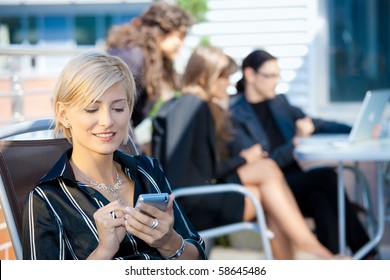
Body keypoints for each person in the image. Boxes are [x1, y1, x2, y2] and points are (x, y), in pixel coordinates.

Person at [152, 45, 338, 259]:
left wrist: (243, 159)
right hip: (190, 205)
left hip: (199, 193)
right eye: (224, 77)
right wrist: (243, 159)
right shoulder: (191, 106)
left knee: (266, 173)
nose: (229, 83)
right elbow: (179, 175)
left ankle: (307, 250)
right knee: (266, 193)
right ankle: (312, 248)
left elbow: (203, 169)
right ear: (205, 78)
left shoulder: (194, 105)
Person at [21, 50, 206, 260]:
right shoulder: (48, 199)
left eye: (118, 108)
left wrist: (169, 242)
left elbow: (198, 258)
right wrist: (103, 252)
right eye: (92, 109)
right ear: (63, 115)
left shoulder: (148, 171)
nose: (107, 121)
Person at [230, 49, 375, 258]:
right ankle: (367, 253)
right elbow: (262, 164)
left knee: (321, 200)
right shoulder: (235, 115)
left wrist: (356, 128)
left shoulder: (279, 103)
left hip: (297, 183)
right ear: (250, 75)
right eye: (270, 76)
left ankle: (333, 262)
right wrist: (295, 141)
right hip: (273, 188)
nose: (275, 82)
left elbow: (316, 124)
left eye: (278, 76)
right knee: (326, 177)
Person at [106, 1, 193, 129]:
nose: (182, 43)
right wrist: (134, 148)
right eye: (180, 36)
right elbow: (114, 113)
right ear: (159, 32)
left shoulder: (152, 58)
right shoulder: (131, 58)